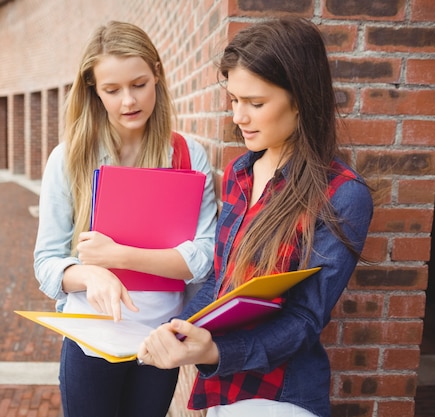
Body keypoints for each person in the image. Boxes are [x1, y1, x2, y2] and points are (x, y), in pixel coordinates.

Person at [137, 17, 374, 417]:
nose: (238, 117)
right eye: (233, 100)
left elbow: (303, 320)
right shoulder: (239, 173)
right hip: (223, 389)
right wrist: (178, 326)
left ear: (301, 99)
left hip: (280, 396)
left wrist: (215, 350)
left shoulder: (342, 195)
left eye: (256, 103)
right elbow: (219, 277)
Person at [33, 21, 218, 417]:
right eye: (112, 90)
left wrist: (118, 256)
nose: (128, 101)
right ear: (94, 92)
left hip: (160, 340)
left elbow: (203, 258)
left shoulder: (188, 156)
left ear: (157, 75)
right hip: (90, 339)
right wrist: (91, 274)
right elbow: (46, 263)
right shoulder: (67, 160)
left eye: (139, 84)